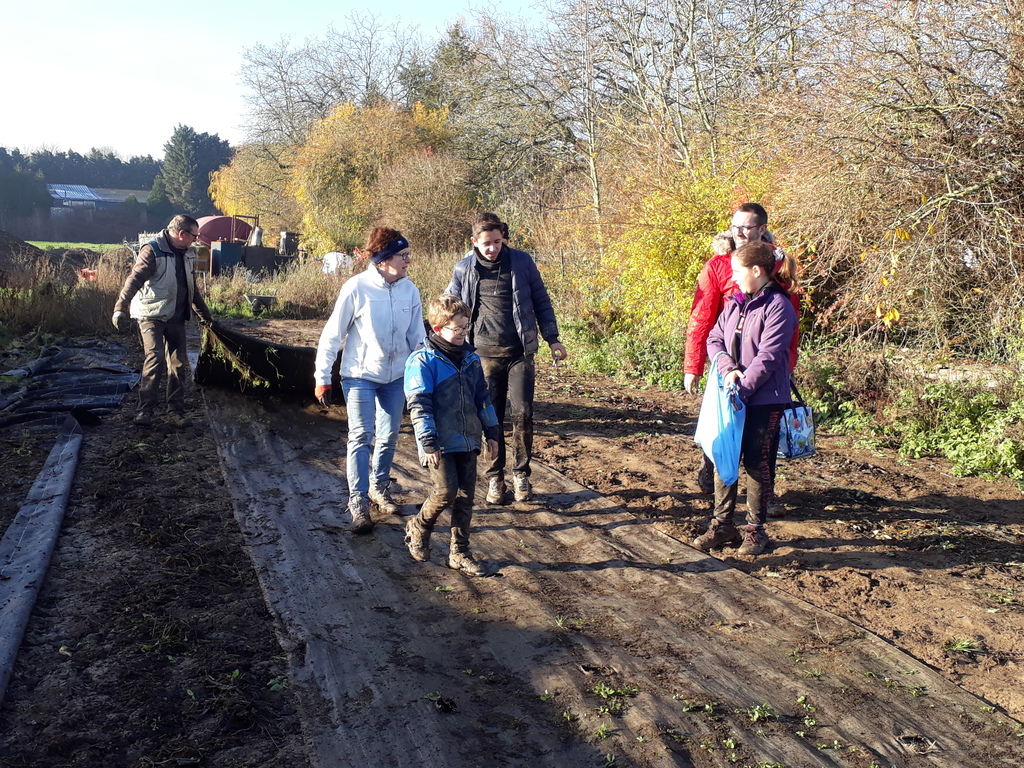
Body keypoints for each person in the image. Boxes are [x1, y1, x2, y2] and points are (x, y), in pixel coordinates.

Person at [446, 216, 568, 504]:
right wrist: (444, 342)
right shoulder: (464, 269)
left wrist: (553, 338)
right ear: (474, 242)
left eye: (498, 242)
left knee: (523, 414)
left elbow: (541, 301)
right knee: (491, 419)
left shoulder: (522, 262)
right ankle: (495, 477)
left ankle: (521, 474)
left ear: (504, 238)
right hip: (482, 355)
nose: (492, 249)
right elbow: (449, 306)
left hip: (520, 353)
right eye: (486, 244)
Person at [683, 203, 801, 494]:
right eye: (734, 226)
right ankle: (716, 477)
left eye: (745, 227)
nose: (738, 232)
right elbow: (702, 318)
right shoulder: (718, 264)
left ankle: (763, 496)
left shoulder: (778, 264)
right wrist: (693, 365)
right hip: (726, 365)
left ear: (761, 229)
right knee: (722, 430)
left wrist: (786, 366)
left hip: (764, 367)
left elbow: (790, 326)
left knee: (762, 441)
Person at [693, 240, 800, 556]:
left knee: (756, 463)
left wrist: (741, 390)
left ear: (757, 271)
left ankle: (756, 531)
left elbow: (768, 357)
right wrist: (727, 371)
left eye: (738, 271)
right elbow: (714, 339)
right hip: (732, 393)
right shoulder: (735, 302)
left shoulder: (779, 306)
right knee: (723, 456)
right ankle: (723, 525)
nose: (734, 277)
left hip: (764, 399)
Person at [313, 228, 422, 533]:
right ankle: (358, 501)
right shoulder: (356, 288)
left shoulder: (409, 291)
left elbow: (417, 337)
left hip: (395, 375)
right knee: (361, 435)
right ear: (384, 259)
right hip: (360, 375)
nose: (408, 261)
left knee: (388, 436)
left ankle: (379, 486)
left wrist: (424, 373)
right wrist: (322, 376)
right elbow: (333, 335)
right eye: (403, 255)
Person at [403, 294, 500, 576]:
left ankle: (459, 552)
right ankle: (419, 527)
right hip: (439, 442)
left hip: (468, 438)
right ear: (437, 329)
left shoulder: (471, 359)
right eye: (456, 329)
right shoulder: (422, 361)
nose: (462, 334)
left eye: (466, 328)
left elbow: (482, 397)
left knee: (466, 496)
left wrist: (492, 431)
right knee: (445, 491)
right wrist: (429, 441)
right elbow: (419, 405)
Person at [112, 214, 213, 428]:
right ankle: (144, 410)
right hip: (151, 315)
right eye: (194, 236)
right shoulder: (152, 250)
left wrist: (207, 318)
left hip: (176, 316)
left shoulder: (187, 254)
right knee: (156, 357)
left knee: (178, 363)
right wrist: (120, 306)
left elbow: (192, 289)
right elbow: (135, 278)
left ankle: (175, 410)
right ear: (181, 234)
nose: (196, 240)